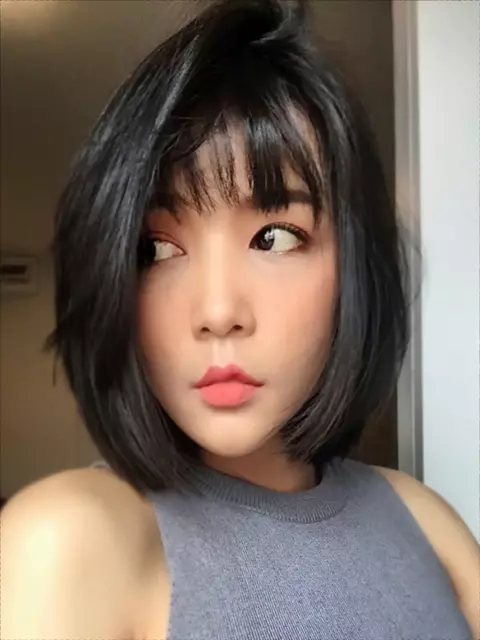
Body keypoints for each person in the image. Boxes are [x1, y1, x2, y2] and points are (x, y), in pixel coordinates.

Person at [1, 0, 478, 638]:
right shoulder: (71, 543)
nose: (218, 313)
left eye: (274, 238)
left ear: (355, 266)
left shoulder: (426, 521)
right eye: (156, 250)